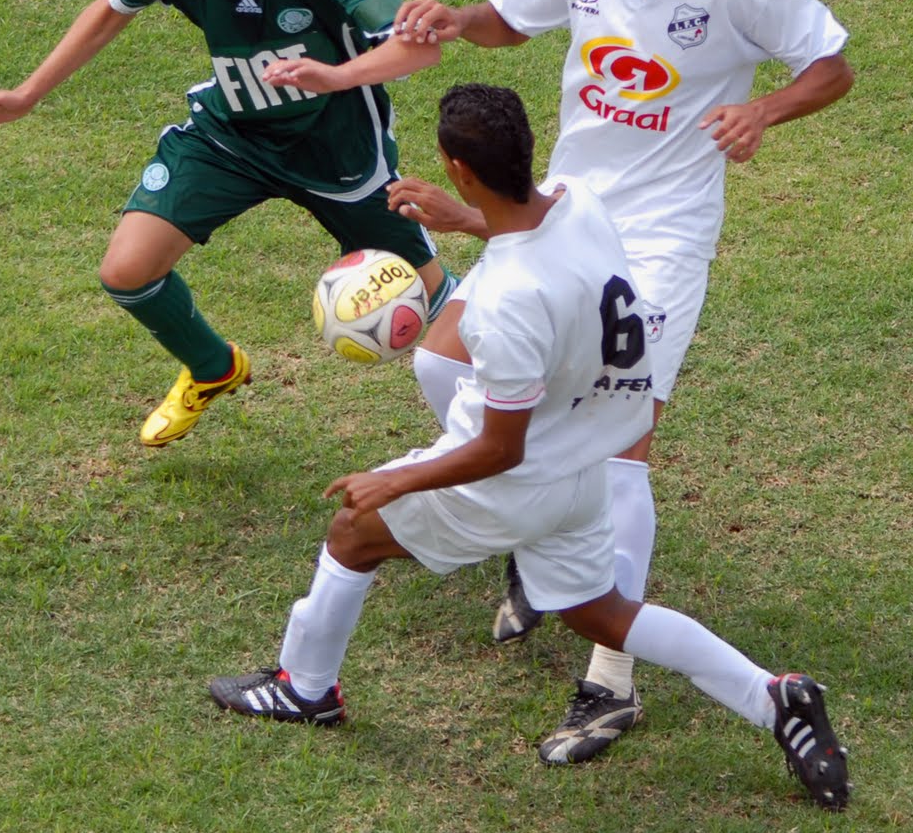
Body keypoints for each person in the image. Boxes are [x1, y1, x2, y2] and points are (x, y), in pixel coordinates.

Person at [262, 0, 853, 764]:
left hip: (656, 244)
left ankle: (608, 681)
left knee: (622, 446)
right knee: (439, 363)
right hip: (561, 211)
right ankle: (547, 545)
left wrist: (765, 109)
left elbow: (833, 63)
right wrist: (452, 22)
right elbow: (507, 21)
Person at [208, 84, 850, 812]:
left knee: (353, 531)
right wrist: (467, 220)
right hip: (585, 471)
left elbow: (498, 449)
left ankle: (304, 688)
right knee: (605, 613)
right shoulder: (580, 200)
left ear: (458, 167)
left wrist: (398, 480)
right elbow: (533, 235)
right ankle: (777, 698)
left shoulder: (503, 303)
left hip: (517, 480)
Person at [0, 0, 456, 447]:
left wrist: (335, 75)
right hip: (232, 137)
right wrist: (26, 95)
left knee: (440, 305)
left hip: (337, 151)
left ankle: (516, 407)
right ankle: (214, 369)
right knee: (126, 271)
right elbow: (111, 11)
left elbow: (419, 49)